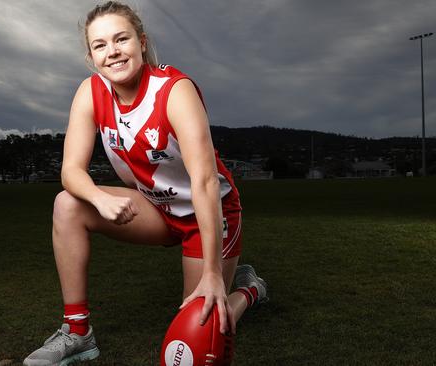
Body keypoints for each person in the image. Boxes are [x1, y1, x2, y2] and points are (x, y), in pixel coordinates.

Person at [23, 2, 267, 365]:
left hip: (209, 213)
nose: (113, 52)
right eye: (100, 45)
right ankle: (77, 332)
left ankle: (248, 290)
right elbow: (70, 171)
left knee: (201, 323)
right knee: (68, 203)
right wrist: (98, 198)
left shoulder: (174, 90)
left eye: (121, 39)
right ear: (91, 56)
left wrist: (214, 273)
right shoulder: (90, 92)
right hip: (157, 208)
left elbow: (203, 181)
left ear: (141, 42)